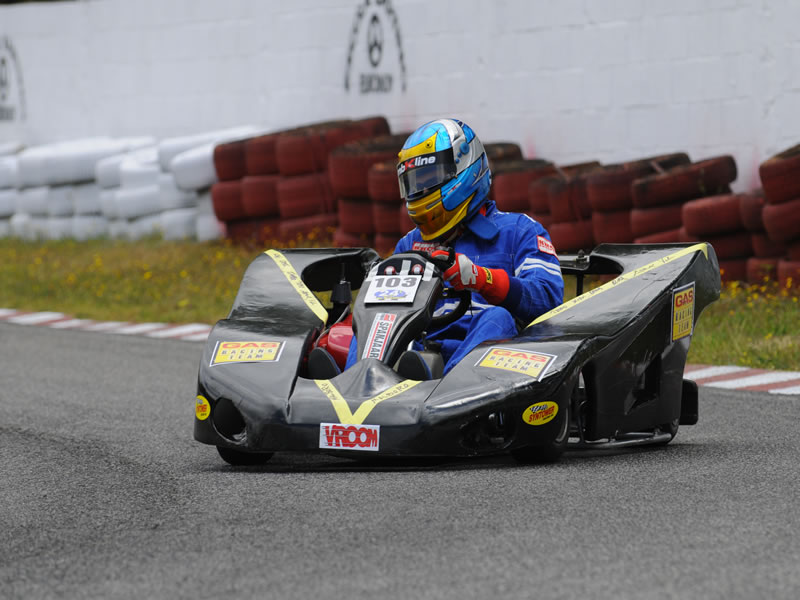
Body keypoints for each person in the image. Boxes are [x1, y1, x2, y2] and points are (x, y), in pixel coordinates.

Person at [310, 118, 563, 380]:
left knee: (498, 318)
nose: (421, 190)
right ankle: (354, 383)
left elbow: (547, 302)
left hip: (491, 358)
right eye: (415, 182)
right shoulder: (409, 244)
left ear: (465, 168)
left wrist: (481, 278)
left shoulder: (519, 231)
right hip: (420, 349)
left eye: (429, 179)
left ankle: (442, 390)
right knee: (373, 323)